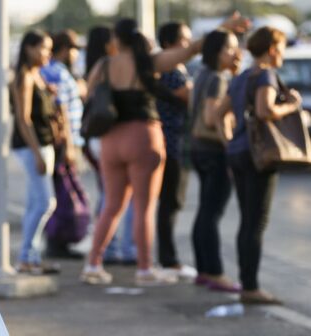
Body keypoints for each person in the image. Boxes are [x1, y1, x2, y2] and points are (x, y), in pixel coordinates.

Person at [80, 15, 249, 286]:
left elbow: (88, 94)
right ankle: (145, 269)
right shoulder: (149, 63)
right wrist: (223, 29)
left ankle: (93, 264)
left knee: (111, 205)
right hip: (143, 137)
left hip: (111, 139)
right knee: (145, 207)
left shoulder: (104, 65)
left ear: (116, 40)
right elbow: (191, 49)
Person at [217, 26, 301, 304]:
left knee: (247, 220)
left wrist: (229, 141)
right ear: (272, 49)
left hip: (239, 152)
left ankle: (246, 282)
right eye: (281, 49)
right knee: (255, 222)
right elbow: (266, 111)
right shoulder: (265, 74)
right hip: (259, 155)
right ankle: (250, 287)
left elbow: (217, 114)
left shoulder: (241, 77)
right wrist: (292, 106)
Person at [190, 29, 242, 292]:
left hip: (199, 149)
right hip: (214, 150)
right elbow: (212, 119)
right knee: (212, 213)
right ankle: (214, 272)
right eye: (229, 48)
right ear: (215, 52)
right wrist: (230, 147)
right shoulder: (217, 79)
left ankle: (203, 270)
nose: (235, 53)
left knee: (205, 211)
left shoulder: (202, 75)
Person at [84, 25, 137, 266]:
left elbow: (87, 95)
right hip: (113, 134)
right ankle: (119, 247)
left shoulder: (95, 66)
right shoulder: (114, 64)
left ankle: (108, 246)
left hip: (95, 135)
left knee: (108, 193)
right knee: (117, 195)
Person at [11, 30, 60, 274]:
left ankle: (31, 257)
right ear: (29, 48)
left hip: (44, 144)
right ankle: (25, 256)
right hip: (32, 146)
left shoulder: (37, 74)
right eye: (44, 48)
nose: (48, 54)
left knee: (35, 203)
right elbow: (23, 119)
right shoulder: (24, 77)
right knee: (45, 203)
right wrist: (37, 153)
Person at [41, 29, 87, 259]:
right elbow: (61, 111)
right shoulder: (55, 71)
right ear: (66, 49)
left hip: (68, 139)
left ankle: (60, 241)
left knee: (64, 192)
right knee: (62, 194)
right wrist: (68, 145)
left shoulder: (61, 71)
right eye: (75, 49)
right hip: (63, 141)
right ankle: (55, 242)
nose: (77, 54)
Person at [155, 21, 196, 279]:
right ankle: (168, 260)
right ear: (170, 44)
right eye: (184, 40)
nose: (189, 46)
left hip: (172, 143)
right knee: (170, 203)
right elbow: (191, 99)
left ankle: (166, 258)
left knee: (170, 203)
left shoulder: (170, 69)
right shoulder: (171, 71)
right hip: (171, 144)